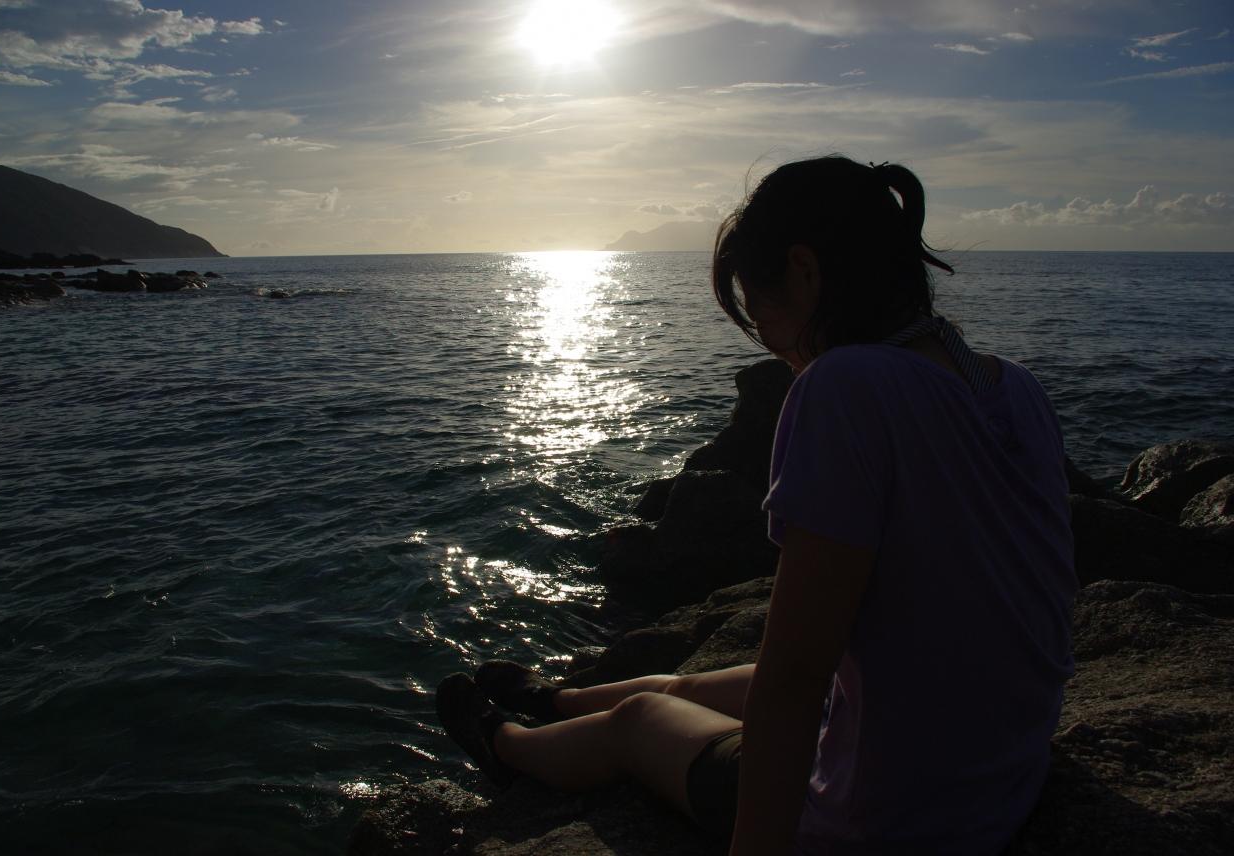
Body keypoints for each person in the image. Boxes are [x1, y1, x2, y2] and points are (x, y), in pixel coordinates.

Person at [436, 154, 1078, 855]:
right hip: (1004, 769)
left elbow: (795, 678)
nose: (767, 340)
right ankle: (556, 700)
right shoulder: (1017, 387)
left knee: (642, 717)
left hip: (889, 818)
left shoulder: (845, 385)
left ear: (803, 271)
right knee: (691, 686)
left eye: (758, 309)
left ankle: (506, 744)